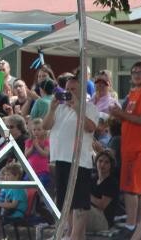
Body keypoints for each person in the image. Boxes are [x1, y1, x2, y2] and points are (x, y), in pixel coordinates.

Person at [44, 75, 99, 240]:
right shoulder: (60, 108)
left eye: (73, 89)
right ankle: (72, 235)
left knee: (79, 205)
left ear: (82, 91)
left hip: (79, 162)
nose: (69, 92)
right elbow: (46, 126)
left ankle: (73, 237)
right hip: (60, 159)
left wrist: (77, 108)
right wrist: (51, 109)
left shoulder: (89, 108)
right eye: (67, 89)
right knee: (65, 203)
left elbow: (90, 128)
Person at [110, 61, 141, 232]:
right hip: (130, 146)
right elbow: (130, 117)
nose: (137, 75)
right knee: (137, 189)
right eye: (134, 72)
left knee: (131, 188)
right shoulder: (134, 93)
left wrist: (120, 114)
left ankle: (131, 226)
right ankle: (138, 226)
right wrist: (118, 115)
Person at [0, 162, 27, 239]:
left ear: (16, 176)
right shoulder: (10, 187)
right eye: (5, 175)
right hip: (10, 211)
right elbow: (6, 203)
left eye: (8, 175)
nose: (6, 177)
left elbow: (13, 205)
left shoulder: (17, 188)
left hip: (16, 213)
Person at [88, 150, 121, 232]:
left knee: (81, 208)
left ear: (111, 165)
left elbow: (102, 205)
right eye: (100, 161)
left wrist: (86, 195)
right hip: (91, 213)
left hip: (104, 221)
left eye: (106, 162)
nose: (102, 164)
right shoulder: (93, 179)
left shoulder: (112, 183)